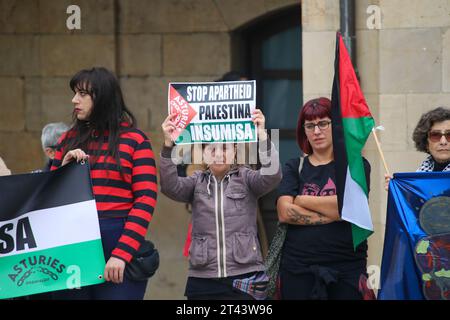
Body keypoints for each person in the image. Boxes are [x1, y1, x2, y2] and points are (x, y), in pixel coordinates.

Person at [50, 67, 158, 300]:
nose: (74, 100)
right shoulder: (66, 139)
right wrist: (63, 170)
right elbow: (47, 198)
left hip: (118, 242)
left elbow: (145, 199)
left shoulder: (135, 141)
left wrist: (122, 253)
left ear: (102, 97)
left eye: (82, 94)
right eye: (74, 93)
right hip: (72, 243)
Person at [160, 109, 281, 300]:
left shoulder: (246, 178)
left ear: (234, 152)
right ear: (204, 154)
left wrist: (262, 136)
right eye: (212, 149)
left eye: (225, 148)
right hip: (203, 277)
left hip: (245, 274)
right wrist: (168, 144)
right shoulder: (196, 181)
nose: (218, 154)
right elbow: (170, 186)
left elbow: (273, 176)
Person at [276, 97, 371, 300]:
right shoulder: (294, 166)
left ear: (335, 125)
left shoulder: (356, 166)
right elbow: (285, 212)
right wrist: (333, 211)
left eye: (323, 123)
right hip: (298, 271)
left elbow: (349, 208)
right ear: (304, 132)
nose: (316, 131)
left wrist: (301, 200)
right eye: (310, 126)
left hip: (347, 270)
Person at [384, 107, 450, 190]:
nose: (443, 141)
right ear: (426, 143)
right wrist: (397, 191)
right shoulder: (419, 177)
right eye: (435, 135)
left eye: (449, 135)